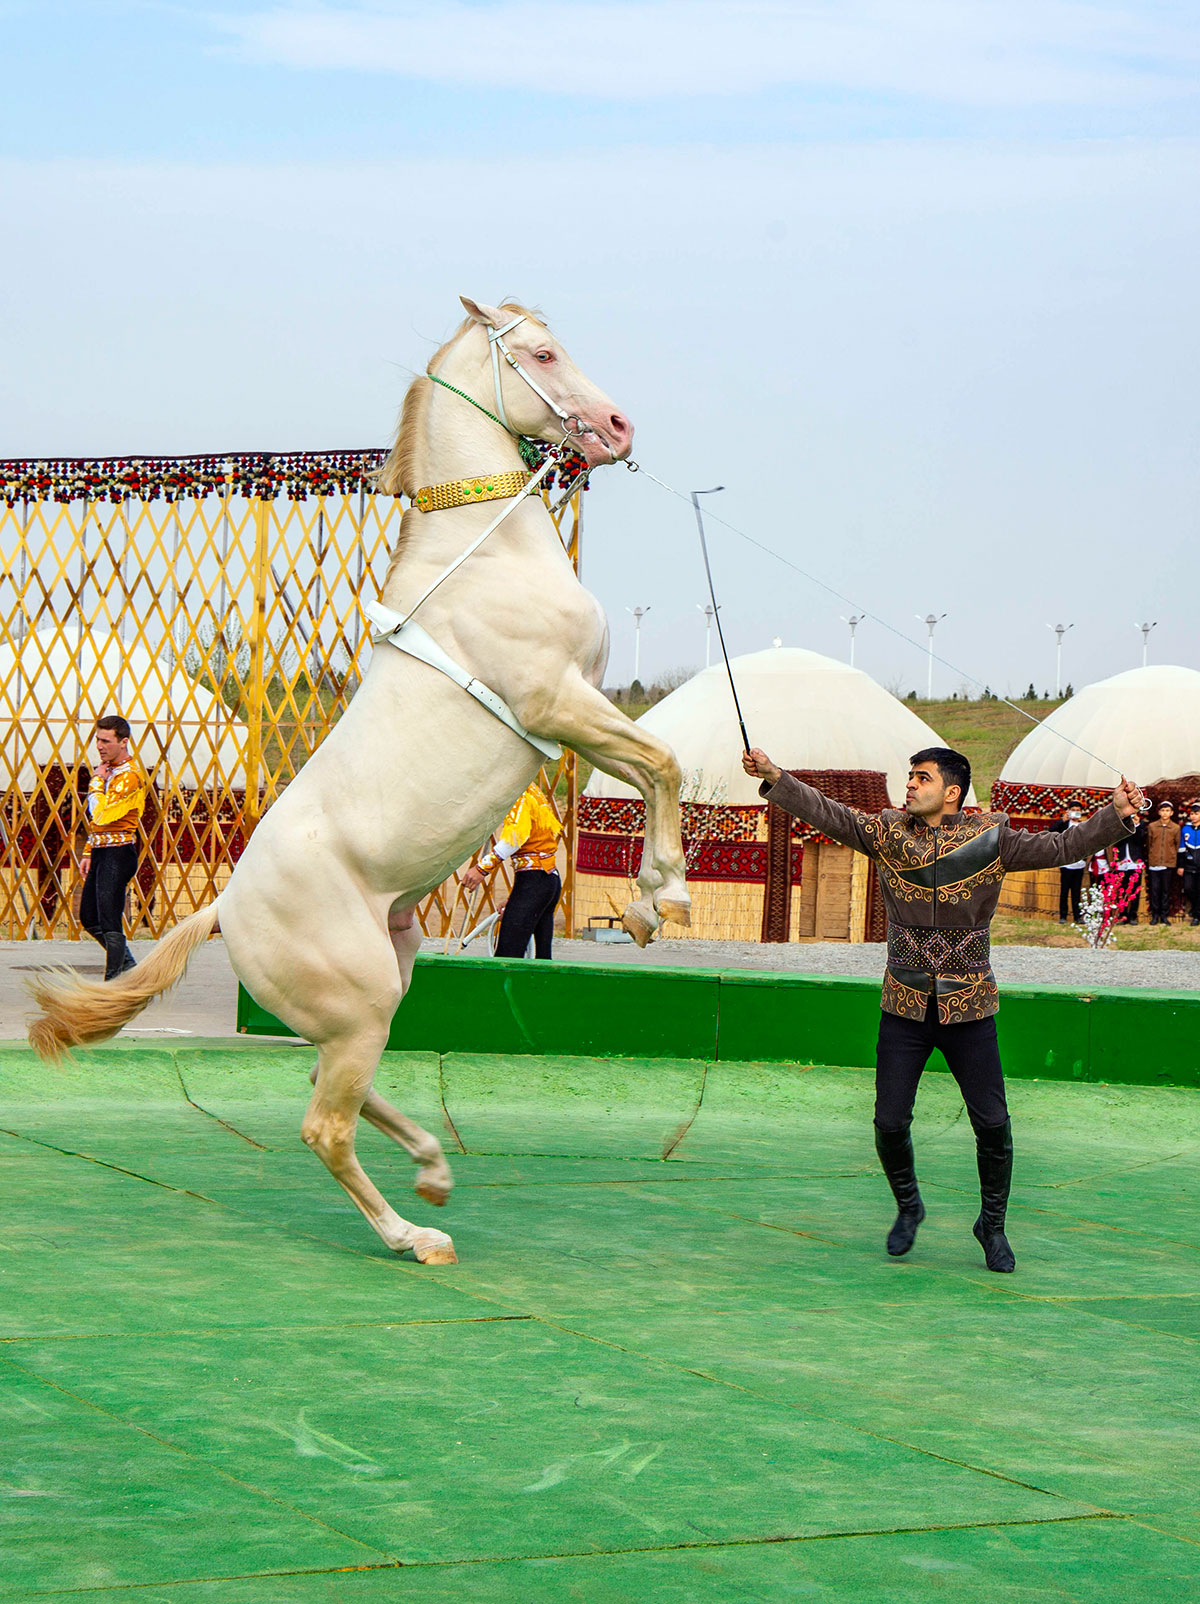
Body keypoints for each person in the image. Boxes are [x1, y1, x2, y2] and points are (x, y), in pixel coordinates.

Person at [741, 744, 1144, 1274]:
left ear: (951, 793)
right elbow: (829, 814)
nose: (910, 785)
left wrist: (1115, 815)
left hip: (970, 1008)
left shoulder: (992, 839)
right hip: (904, 1005)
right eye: (910, 776)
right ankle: (909, 1206)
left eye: (922, 778)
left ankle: (992, 1226)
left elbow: (1061, 844)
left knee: (993, 1124)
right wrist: (774, 776)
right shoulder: (886, 832)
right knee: (888, 1122)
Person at [79, 715, 148, 980]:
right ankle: (130, 968)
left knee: (109, 920)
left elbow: (102, 814)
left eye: (106, 740)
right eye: (97, 739)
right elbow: (98, 824)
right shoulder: (111, 771)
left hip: (118, 854)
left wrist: (95, 781)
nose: (99, 746)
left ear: (124, 742)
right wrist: (88, 851)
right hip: (101, 852)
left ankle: (113, 982)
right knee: (89, 917)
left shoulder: (129, 777)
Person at [461, 782, 563, 958]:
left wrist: (482, 868)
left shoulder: (519, 794)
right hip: (546, 878)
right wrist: (515, 898)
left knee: (508, 955)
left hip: (535, 881)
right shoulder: (533, 790)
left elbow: (517, 836)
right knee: (542, 957)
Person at [1145, 801, 1181, 925]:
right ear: (1159, 812)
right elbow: (1149, 844)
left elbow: (1176, 845)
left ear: (1171, 813)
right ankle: (1155, 915)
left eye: (1167, 811)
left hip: (1168, 863)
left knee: (1166, 890)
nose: (1165, 813)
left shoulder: (1176, 828)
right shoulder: (1152, 826)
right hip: (1154, 863)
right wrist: (1152, 857)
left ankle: (1164, 915)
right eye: (1163, 810)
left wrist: (1172, 857)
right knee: (1155, 890)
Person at [1050, 805, 1086, 923]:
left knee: (1076, 891)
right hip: (1066, 863)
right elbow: (1051, 831)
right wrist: (1062, 820)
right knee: (1064, 890)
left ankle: (1077, 916)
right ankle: (1063, 916)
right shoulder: (1064, 824)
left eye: (1078, 811)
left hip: (1079, 863)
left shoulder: (1083, 825)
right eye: (1073, 810)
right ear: (1069, 811)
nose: (1076, 813)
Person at [1111, 818, 1147, 922]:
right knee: (1122, 890)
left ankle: (1133, 915)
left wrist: (1136, 825)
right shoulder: (1119, 823)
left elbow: (1140, 839)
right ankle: (1122, 914)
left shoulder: (1142, 825)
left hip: (1135, 862)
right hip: (1121, 861)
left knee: (1135, 890)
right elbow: (1116, 841)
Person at [1179, 801, 1200, 927]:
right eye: (1192, 814)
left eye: (1196, 813)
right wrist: (1181, 865)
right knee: (1188, 889)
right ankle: (1195, 908)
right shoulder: (1185, 829)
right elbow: (1181, 848)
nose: (1193, 816)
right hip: (1188, 865)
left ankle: (1197, 916)